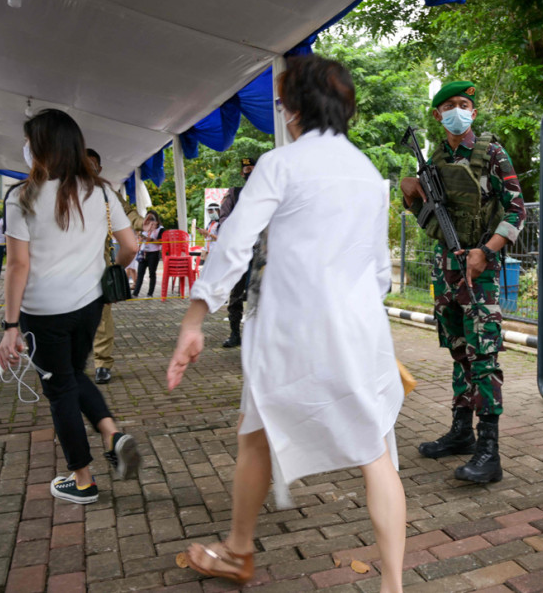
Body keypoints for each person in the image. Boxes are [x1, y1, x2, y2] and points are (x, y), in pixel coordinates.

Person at [167, 55, 405, 589]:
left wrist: (194, 318)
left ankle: (238, 551)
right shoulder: (370, 175)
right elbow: (380, 273)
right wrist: (369, 332)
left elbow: (232, 246)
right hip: (357, 332)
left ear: (294, 109)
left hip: (290, 330)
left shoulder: (282, 164)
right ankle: (393, 585)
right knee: (376, 452)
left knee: (255, 435)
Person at [0, 108, 142, 504]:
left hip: (42, 311)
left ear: (40, 147)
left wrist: (10, 325)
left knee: (60, 388)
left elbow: (18, 265)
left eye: (29, 142)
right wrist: (114, 268)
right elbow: (130, 246)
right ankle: (111, 433)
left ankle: (82, 481)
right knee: (73, 375)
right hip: (90, 303)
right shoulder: (102, 190)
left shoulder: (21, 196)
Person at [400, 81, 526, 484]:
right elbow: (428, 213)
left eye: (465, 104)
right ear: (437, 116)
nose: (459, 110)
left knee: (484, 352)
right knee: (459, 349)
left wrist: (486, 251)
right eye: (450, 106)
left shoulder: (491, 152)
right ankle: (461, 431)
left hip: (481, 267)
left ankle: (490, 451)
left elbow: (516, 209)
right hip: (446, 266)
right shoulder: (434, 159)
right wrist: (408, 193)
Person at [87, 149, 144, 384]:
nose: (86, 169)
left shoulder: (105, 192)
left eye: (91, 165)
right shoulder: (59, 190)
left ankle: (102, 363)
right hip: (65, 266)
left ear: (99, 169)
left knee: (102, 315)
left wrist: (143, 222)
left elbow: (127, 212)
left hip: (99, 262)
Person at [218, 157, 257, 348]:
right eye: (247, 169)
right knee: (236, 294)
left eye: (253, 168)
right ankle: (235, 333)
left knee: (264, 294)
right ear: (243, 173)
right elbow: (224, 219)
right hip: (240, 251)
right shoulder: (234, 193)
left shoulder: (269, 194)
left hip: (264, 253)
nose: (250, 172)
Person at [133, 211, 164, 298]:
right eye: (148, 219)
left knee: (152, 273)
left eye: (152, 220)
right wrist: (140, 239)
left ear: (156, 220)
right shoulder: (144, 228)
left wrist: (150, 239)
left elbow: (161, 242)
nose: (150, 222)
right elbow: (139, 239)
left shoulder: (160, 229)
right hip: (143, 252)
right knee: (140, 273)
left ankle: (150, 293)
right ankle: (135, 292)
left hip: (154, 253)